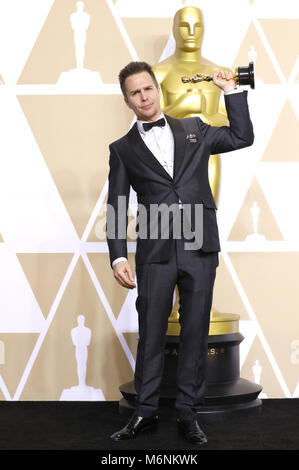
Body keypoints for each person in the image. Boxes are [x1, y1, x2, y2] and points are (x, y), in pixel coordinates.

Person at [106, 61, 254, 445]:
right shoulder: (122, 149)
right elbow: (117, 205)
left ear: (157, 89)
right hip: (154, 248)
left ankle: (189, 415)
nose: (144, 97)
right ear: (127, 101)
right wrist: (118, 256)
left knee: (194, 333)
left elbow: (242, 137)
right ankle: (145, 412)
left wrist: (230, 92)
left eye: (148, 89)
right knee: (152, 333)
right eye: (135, 93)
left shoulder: (194, 128)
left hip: (199, 244)